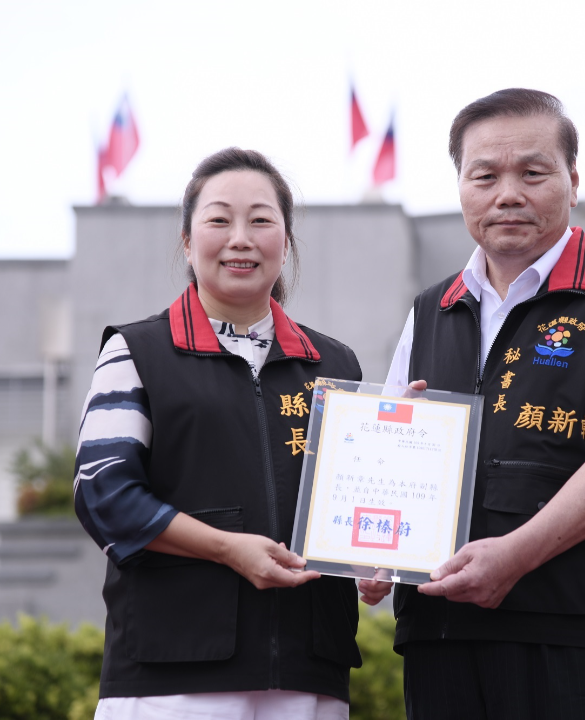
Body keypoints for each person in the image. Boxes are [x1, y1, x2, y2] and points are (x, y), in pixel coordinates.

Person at [383, 89, 585, 718]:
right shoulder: (431, 310)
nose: (508, 194)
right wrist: (373, 557)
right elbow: (389, 453)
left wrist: (514, 557)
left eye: (533, 172)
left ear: (573, 181)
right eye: (485, 176)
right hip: (441, 640)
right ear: (461, 186)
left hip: (575, 640)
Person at [74, 147, 390, 720]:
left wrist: (374, 558)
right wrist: (229, 549)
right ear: (188, 242)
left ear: (286, 242)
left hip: (308, 674)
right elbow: (103, 494)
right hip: (172, 674)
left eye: (261, 220)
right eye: (219, 220)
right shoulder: (135, 352)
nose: (240, 238)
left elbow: (353, 502)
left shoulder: (335, 365)